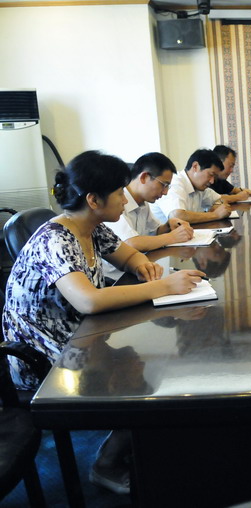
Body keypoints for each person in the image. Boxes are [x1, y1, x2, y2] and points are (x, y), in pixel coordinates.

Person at [2, 151, 205, 494]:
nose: (125, 199)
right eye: (119, 192)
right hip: (40, 354)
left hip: (78, 334)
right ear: (93, 200)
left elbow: (127, 254)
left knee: (156, 364)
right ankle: (107, 464)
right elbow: (89, 301)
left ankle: (140, 446)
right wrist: (164, 286)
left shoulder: (92, 228)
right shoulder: (56, 238)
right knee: (150, 376)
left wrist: (140, 265)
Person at [104, 152, 194, 257]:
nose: (165, 192)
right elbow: (131, 243)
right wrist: (172, 237)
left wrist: (168, 225)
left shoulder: (143, 202)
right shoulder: (116, 202)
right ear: (144, 177)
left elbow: (155, 232)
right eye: (163, 185)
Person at [151, 149, 233, 224]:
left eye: (214, 177)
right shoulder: (175, 183)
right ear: (195, 167)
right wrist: (215, 215)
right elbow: (177, 216)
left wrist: (217, 205)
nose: (212, 181)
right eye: (211, 175)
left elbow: (219, 199)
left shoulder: (199, 186)